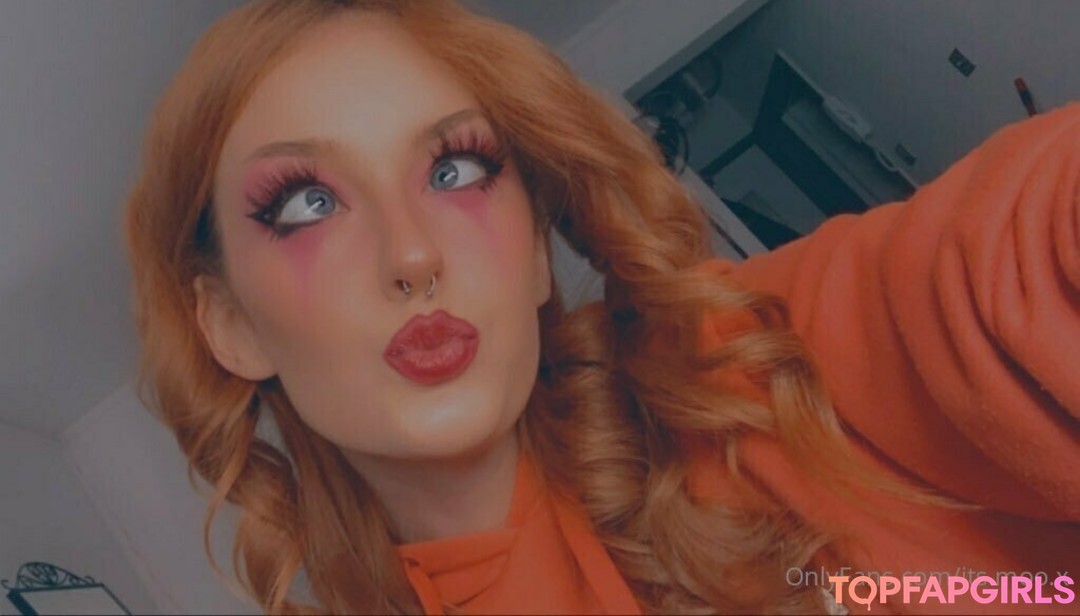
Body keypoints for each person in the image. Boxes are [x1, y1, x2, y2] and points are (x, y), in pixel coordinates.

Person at [122, 0, 1079, 613]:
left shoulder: (740, 378)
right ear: (230, 324)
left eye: (455, 170)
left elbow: (1001, 261)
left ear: (536, 253)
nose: (412, 254)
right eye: (308, 204)